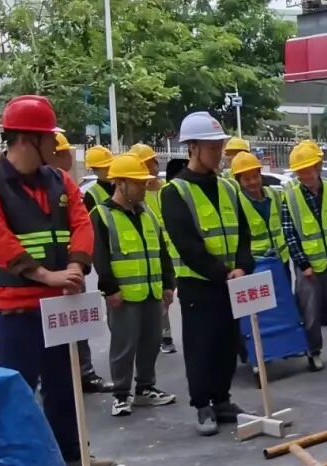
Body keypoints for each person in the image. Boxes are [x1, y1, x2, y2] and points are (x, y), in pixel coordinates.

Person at [0, 96, 99, 466]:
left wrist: (77, 265)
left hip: (60, 305)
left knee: (65, 388)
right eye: (49, 139)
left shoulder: (58, 180)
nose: (56, 147)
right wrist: (47, 275)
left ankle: (72, 459)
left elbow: (81, 223)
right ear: (26, 139)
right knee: (17, 394)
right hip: (15, 310)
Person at [161, 111, 254, 435]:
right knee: (202, 344)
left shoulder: (228, 188)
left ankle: (222, 399)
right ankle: (203, 405)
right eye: (212, 147)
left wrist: (243, 266)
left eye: (220, 145)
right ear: (193, 148)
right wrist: (223, 273)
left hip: (231, 280)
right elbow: (188, 245)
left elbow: (243, 232)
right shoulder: (174, 192)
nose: (219, 152)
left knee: (228, 342)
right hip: (199, 283)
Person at [91, 152, 177, 418]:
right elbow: (100, 256)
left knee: (150, 343)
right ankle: (121, 394)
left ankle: (145, 388)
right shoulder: (102, 215)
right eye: (138, 183)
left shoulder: (147, 214)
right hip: (124, 296)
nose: (143, 187)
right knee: (123, 346)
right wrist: (110, 288)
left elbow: (161, 251)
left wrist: (168, 283)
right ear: (120, 183)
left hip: (151, 292)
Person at [47, 131, 114, 389]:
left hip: (72, 264)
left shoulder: (67, 185)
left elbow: (81, 227)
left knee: (78, 322)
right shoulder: (54, 189)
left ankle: (82, 373)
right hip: (54, 268)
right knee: (58, 328)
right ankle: (65, 377)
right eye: (64, 152)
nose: (68, 156)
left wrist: (78, 263)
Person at [281, 139, 327, 371]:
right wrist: (303, 263)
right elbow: (290, 234)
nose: (305, 174)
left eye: (308, 169)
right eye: (300, 171)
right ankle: (314, 351)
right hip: (308, 266)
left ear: (318, 166)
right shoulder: (290, 197)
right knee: (310, 314)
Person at [131, 142, 177, 354]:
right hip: (151, 254)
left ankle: (162, 335)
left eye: (152, 162)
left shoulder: (167, 189)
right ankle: (163, 336)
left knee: (165, 296)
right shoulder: (137, 197)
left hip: (174, 255)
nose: (152, 166)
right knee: (155, 298)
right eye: (147, 163)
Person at [232, 150, 290, 272]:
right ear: (239, 181)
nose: (253, 182)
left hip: (281, 261)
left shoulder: (274, 194)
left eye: (255, 176)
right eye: (247, 179)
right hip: (256, 265)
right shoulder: (236, 202)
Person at [82, 145, 114, 212]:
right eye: (106, 167)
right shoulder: (90, 195)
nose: (110, 169)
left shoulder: (118, 187)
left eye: (111, 165)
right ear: (94, 169)